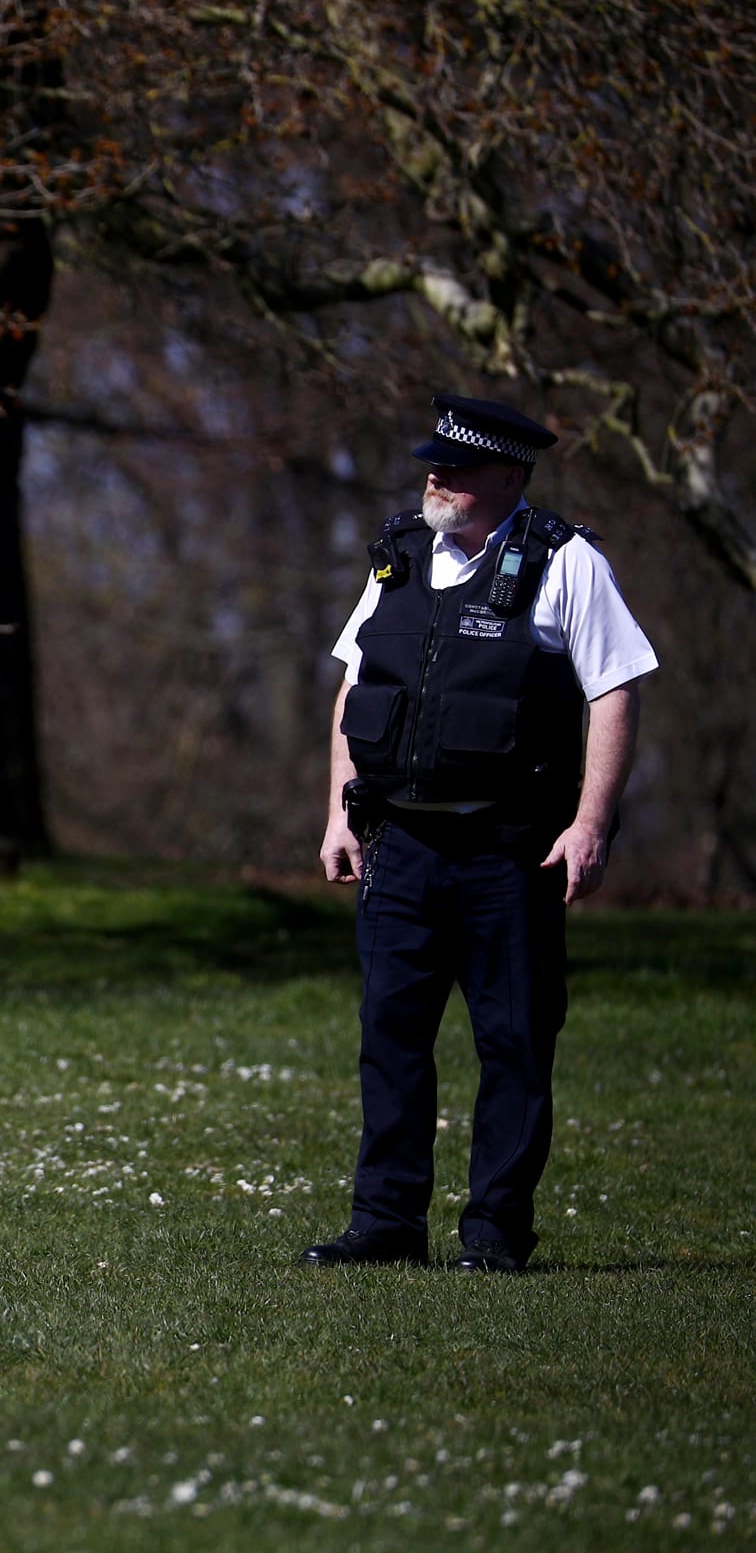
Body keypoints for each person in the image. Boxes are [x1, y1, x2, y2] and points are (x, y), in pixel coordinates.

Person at [306, 395, 658, 1275]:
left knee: (513, 1039)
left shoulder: (564, 562)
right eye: (433, 462)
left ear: (510, 473)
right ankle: (385, 1224)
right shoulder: (398, 557)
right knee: (389, 1035)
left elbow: (614, 688)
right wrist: (336, 813)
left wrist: (590, 822)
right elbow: (357, 687)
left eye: (457, 468)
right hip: (401, 846)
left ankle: (496, 1231)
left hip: (511, 849)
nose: (437, 477)